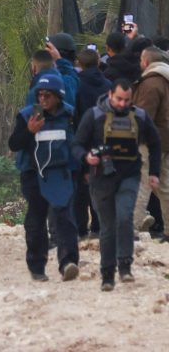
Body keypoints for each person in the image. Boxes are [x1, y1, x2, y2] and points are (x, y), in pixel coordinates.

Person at [72, 79, 161, 291]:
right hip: (101, 177)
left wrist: (154, 172)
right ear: (110, 95)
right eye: (119, 99)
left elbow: (155, 142)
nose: (122, 104)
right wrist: (86, 158)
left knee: (125, 217)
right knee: (108, 226)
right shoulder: (94, 116)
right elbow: (76, 145)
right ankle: (107, 274)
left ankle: (125, 267)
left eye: (126, 100)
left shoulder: (139, 117)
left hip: (130, 175)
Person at [8, 73, 80, 282]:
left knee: (64, 217)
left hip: (61, 173)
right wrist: (29, 131)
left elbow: (77, 144)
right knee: (36, 220)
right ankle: (37, 267)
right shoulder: (27, 116)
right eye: (40, 95)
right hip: (33, 173)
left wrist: (81, 172)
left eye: (48, 95)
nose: (43, 99)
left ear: (58, 96)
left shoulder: (71, 115)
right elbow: (14, 144)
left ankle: (68, 263)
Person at [133, 47, 169, 243]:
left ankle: (131, 227)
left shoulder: (151, 83)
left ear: (146, 61)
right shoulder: (165, 78)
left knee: (141, 183)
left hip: (149, 141)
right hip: (166, 139)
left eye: (140, 59)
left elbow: (143, 116)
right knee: (164, 187)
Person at [74, 47, 111, 238]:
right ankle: (98, 225)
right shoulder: (109, 85)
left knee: (81, 185)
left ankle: (81, 228)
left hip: (82, 138)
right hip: (104, 137)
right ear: (98, 62)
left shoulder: (76, 85)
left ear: (79, 64)